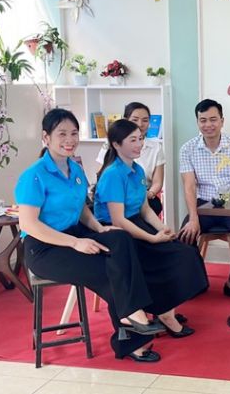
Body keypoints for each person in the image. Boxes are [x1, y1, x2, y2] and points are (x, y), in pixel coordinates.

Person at [15, 108, 163, 363]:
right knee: (110, 270)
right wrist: (76, 242)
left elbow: (81, 207)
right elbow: (30, 224)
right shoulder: (34, 176)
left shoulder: (75, 169)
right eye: (62, 134)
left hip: (75, 234)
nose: (69, 139)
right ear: (46, 137)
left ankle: (131, 317)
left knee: (120, 239)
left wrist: (98, 228)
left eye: (74, 133)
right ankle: (133, 331)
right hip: (44, 248)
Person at [93, 119, 209, 338]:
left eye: (141, 139)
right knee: (164, 258)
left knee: (186, 252)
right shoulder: (112, 174)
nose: (139, 145)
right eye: (132, 140)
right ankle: (166, 314)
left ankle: (166, 308)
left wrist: (162, 228)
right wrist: (152, 238)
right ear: (117, 145)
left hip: (138, 223)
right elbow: (118, 220)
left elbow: (145, 209)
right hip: (119, 234)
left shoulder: (137, 169)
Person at [178, 99, 230, 302]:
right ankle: (198, 281)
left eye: (213, 119)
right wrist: (194, 217)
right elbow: (189, 186)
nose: (208, 125)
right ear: (197, 122)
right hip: (204, 204)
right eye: (203, 120)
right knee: (185, 234)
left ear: (222, 121)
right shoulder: (188, 149)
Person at [97, 102, 165, 216]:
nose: (140, 124)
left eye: (145, 120)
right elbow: (101, 173)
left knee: (154, 207)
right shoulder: (113, 144)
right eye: (135, 119)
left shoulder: (154, 149)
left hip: (143, 194)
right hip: (118, 195)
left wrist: (148, 194)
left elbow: (158, 182)